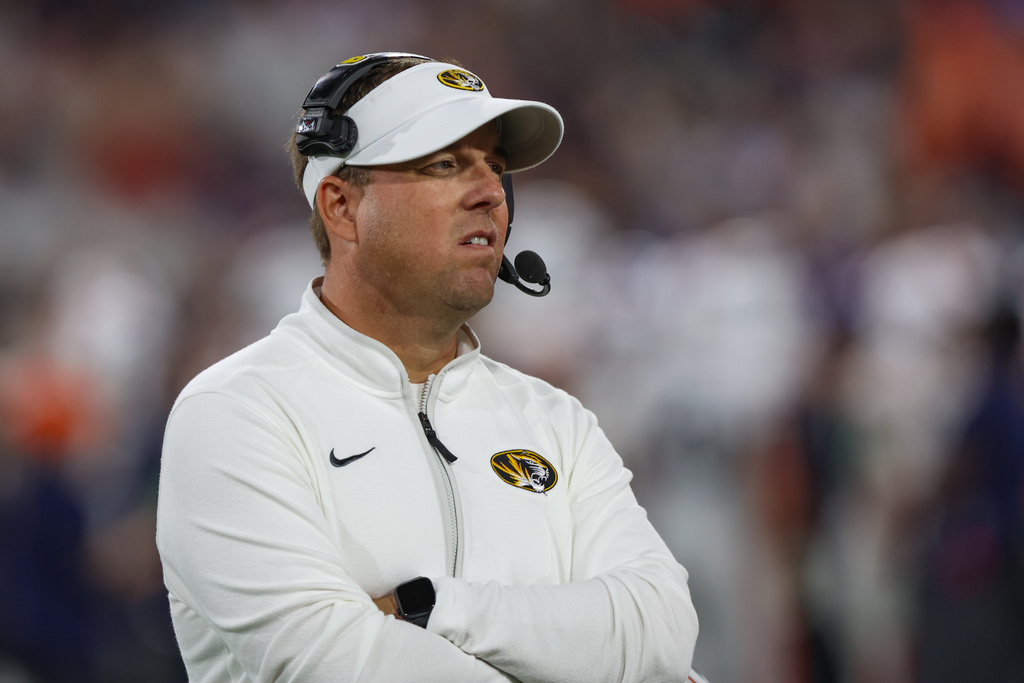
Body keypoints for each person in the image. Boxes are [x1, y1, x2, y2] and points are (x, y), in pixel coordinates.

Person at [156, 52, 702, 682]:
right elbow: (331, 664)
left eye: (495, 168)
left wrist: (432, 607)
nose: (491, 193)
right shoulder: (235, 413)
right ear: (341, 206)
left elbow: (661, 634)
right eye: (444, 164)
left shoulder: (557, 423)